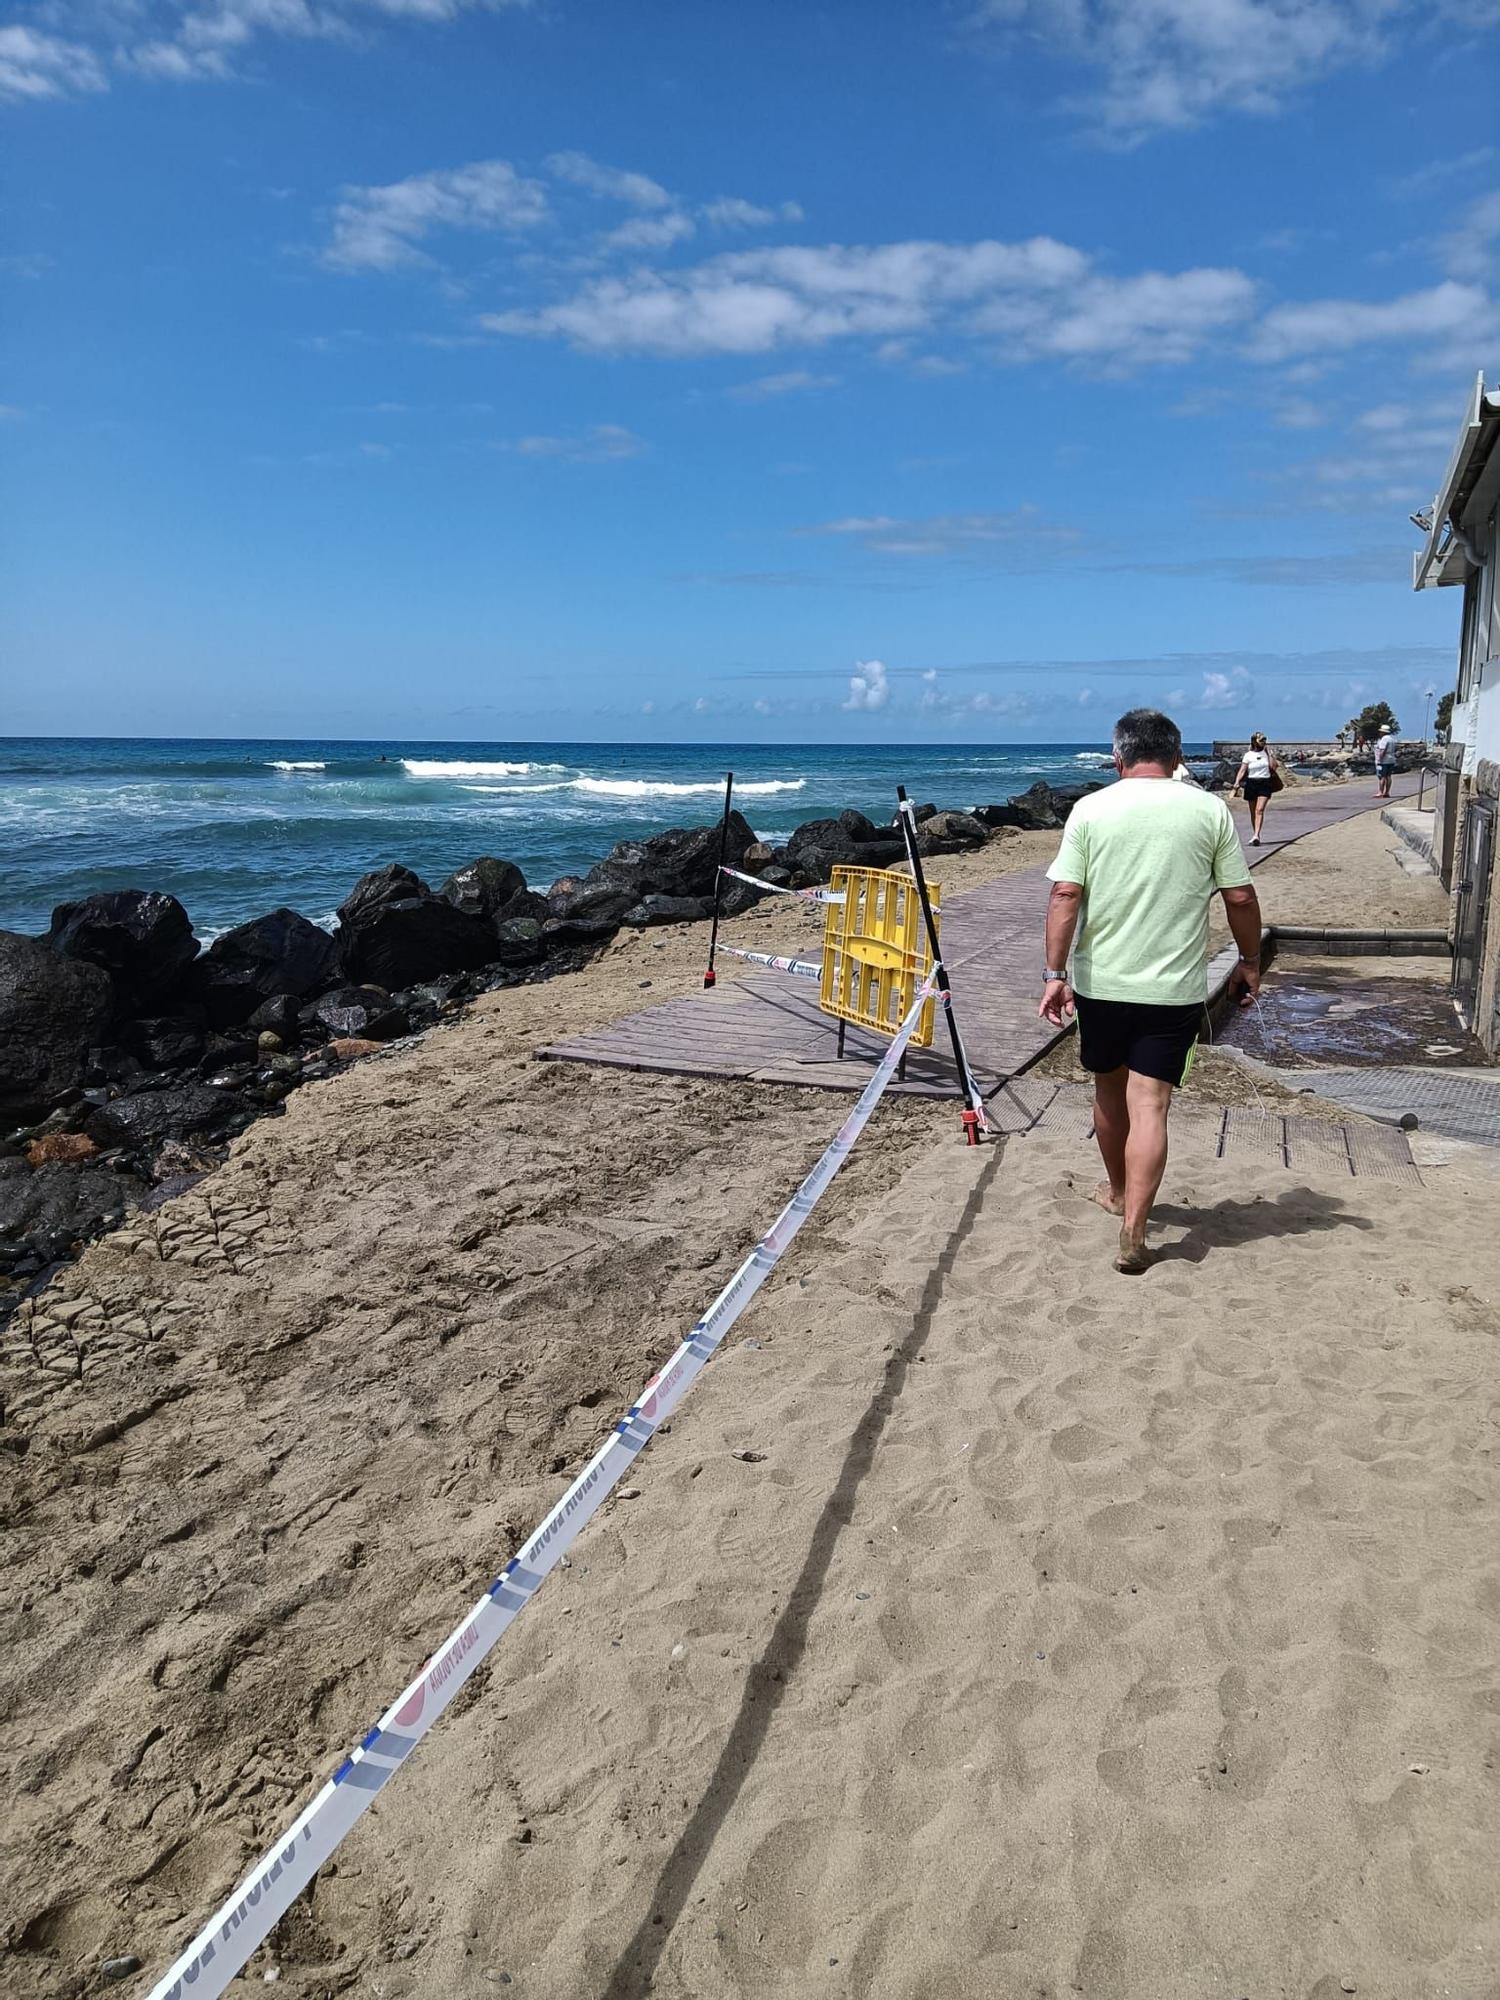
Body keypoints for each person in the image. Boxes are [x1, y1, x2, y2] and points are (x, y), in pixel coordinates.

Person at [1038, 708, 1264, 1275]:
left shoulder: (1091, 810)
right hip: (1173, 988)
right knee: (1151, 1104)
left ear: (1117, 757)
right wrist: (1250, 961)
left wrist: (1054, 974)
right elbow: (1239, 897)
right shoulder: (1209, 810)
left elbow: (1066, 894)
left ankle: (1116, 1192)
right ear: (1177, 756)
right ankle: (1134, 1227)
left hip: (1102, 984)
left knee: (1108, 1091)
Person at [1230, 732, 1281, 846]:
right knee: (1253, 812)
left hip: (1265, 782)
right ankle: (1255, 835)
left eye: (1265, 739)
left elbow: (1274, 766)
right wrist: (1237, 782)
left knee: (1259, 810)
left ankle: (1257, 834)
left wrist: (1269, 753)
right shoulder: (1248, 755)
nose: (1264, 741)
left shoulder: (1266, 753)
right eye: (1261, 739)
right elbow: (1243, 770)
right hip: (1251, 782)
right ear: (1255, 741)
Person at [1374, 726, 1397, 799]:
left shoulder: (1384, 739)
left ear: (1383, 732)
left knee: (1382, 776)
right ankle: (1387, 792)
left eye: (1381, 732)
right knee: (1388, 776)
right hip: (1391, 759)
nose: (1379, 733)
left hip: (1384, 761)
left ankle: (1380, 792)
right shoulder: (1392, 739)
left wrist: (1379, 760)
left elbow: (1382, 750)